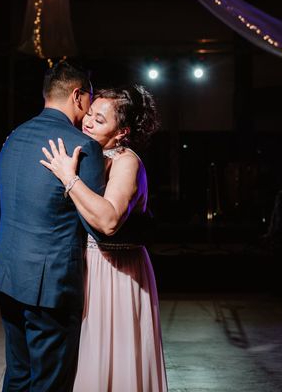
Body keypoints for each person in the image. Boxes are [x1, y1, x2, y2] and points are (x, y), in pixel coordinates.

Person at [0, 61, 106, 391]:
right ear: (78, 96)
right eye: (90, 100)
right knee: (51, 383)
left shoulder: (14, 137)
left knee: (19, 376)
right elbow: (96, 225)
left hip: (8, 275)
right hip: (51, 284)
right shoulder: (83, 147)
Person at [40, 85, 168, 392]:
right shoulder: (90, 153)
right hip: (87, 266)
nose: (87, 121)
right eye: (90, 113)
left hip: (116, 271)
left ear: (122, 131)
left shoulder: (127, 161)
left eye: (100, 119)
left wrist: (68, 177)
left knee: (112, 353)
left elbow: (109, 220)